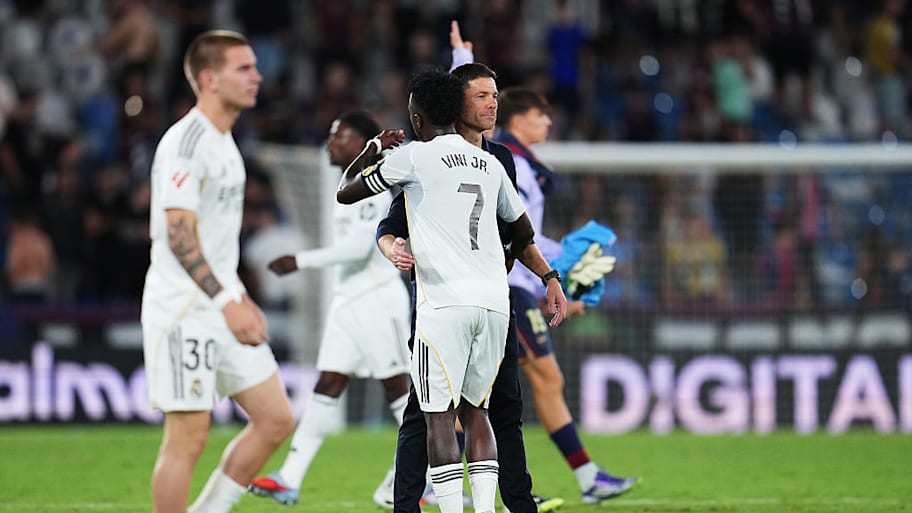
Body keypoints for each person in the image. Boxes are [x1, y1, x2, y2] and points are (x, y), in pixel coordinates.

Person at [338, 69, 539, 513]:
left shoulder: (414, 156)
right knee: (479, 412)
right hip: (494, 303)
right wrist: (513, 259)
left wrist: (372, 149)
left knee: (438, 418)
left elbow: (345, 192)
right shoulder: (490, 163)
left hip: (443, 304)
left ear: (417, 118)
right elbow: (523, 230)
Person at [380, 60, 568, 513]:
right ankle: (407, 505)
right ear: (455, 103)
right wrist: (391, 246)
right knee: (424, 413)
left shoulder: (499, 159)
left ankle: (519, 503)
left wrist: (549, 276)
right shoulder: (424, 157)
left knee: (505, 407)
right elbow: (391, 223)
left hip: (490, 300)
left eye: (494, 96)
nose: (492, 104)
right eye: (481, 96)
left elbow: (518, 234)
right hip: (439, 300)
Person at [140, 30, 294, 513]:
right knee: (187, 437)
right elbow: (179, 235)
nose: (257, 76)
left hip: (222, 302)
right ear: (208, 79)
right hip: (183, 309)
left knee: (275, 418)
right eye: (244, 68)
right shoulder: (187, 142)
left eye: (255, 66)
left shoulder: (225, 141)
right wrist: (228, 301)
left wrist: (239, 295)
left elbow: (214, 239)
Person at [247, 110, 412, 508]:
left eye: (340, 135)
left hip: (376, 299)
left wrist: (300, 260)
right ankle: (289, 478)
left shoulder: (372, 188)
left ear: (363, 144)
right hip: (347, 301)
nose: (330, 141)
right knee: (328, 384)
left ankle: (418, 476)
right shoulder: (344, 186)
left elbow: (360, 248)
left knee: (400, 388)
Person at [494, 87, 638, 503]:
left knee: (518, 385)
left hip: (518, 286)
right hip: (509, 287)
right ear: (519, 119)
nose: (548, 121)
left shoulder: (520, 163)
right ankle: (431, 478)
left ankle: (588, 477)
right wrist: (563, 260)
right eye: (541, 114)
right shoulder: (513, 165)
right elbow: (516, 231)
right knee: (502, 389)